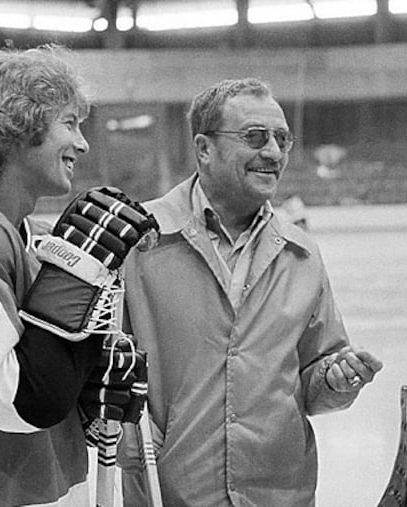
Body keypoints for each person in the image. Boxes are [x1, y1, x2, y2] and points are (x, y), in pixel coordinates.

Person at [117, 77, 383, 506]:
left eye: (282, 139)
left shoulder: (302, 255)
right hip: (170, 493)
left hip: (280, 496)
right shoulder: (139, 242)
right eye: (255, 137)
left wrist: (336, 380)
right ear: (204, 148)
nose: (274, 153)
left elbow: (314, 380)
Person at [0, 45, 153, 506]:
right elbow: (15, 400)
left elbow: (48, 378)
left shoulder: (32, 238)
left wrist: (87, 380)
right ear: (16, 127)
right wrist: (76, 281)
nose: (82, 144)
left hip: (42, 491)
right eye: (69, 123)